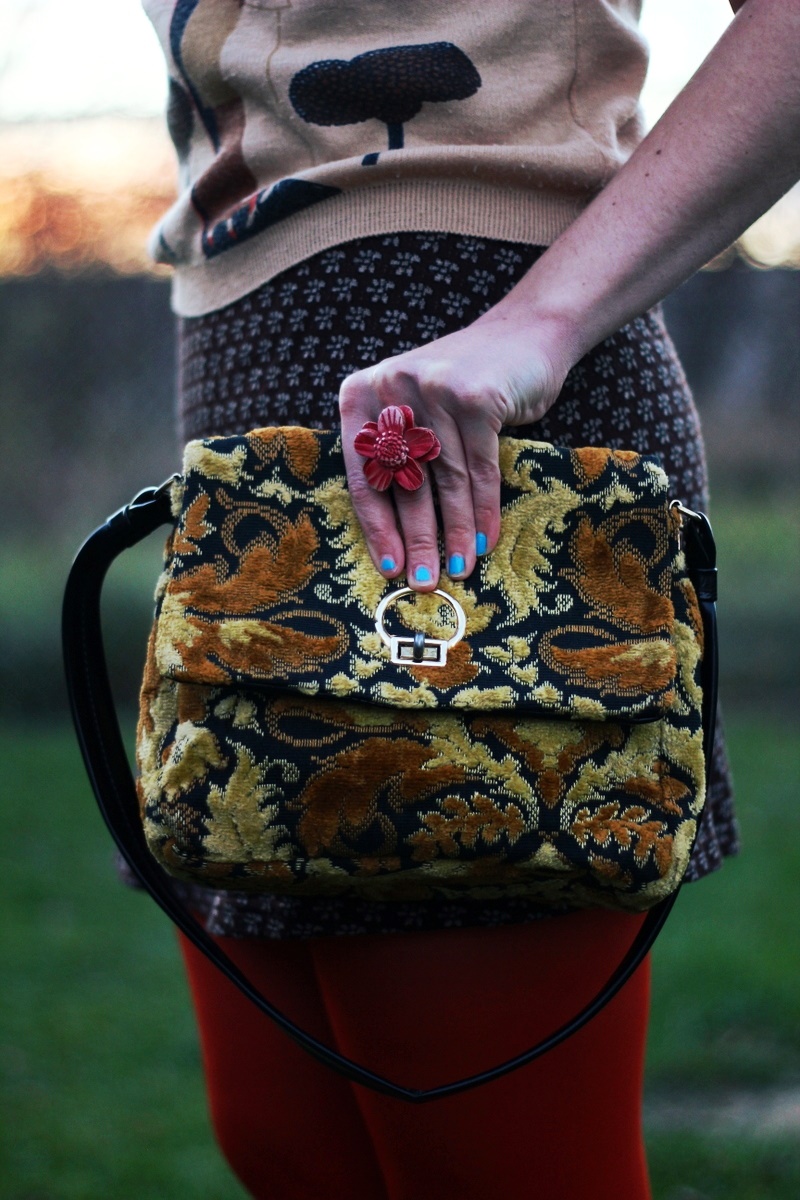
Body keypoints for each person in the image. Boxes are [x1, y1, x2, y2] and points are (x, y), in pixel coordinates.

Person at [135, 0, 799, 1195]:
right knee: (294, 1150)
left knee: (499, 1164)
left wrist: (540, 322)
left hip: (480, 394)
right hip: (242, 367)